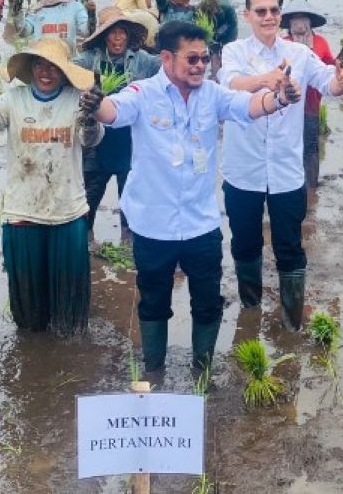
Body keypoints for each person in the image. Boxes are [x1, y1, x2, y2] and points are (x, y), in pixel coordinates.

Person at [90, 20, 295, 373]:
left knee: (208, 303)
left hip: (201, 224)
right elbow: (114, 112)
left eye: (205, 58)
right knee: (153, 302)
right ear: (167, 59)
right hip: (154, 226)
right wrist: (95, 104)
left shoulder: (212, 95)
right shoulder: (142, 93)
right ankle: (154, 371)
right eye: (193, 59)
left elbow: (247, 105)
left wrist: (278, 99)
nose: (201, 65)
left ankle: (203, 371)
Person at [219, 0, 343, 330]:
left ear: (280, 15)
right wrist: (269, 79)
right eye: (260, 11)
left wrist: (342, 80)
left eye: (273, 11)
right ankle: (250, 311)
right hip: (243, 170)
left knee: (290, 248)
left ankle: (292, 321)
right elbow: (229, 85)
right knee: (245, 243)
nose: (268, 17)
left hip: (286, 172)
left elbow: (328, 84)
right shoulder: (233, 51)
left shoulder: (299, 54)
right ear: (247, 14)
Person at [0, 38, 103, 334]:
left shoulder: (78, 98)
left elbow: (91, 141)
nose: (46, 72)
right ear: (30, 67)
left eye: (54, 67)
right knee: (29, 314)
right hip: (23, 210)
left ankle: (65, 356)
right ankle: (33, 356)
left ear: (64, 71)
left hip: (67, 211)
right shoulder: (14, 99)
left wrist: (91, 116)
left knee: (70, 313)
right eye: (40, 64)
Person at [74, 8, 158, 240]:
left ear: (129, 36)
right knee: (88, 201)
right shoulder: (90, 59)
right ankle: (85, 243)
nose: (118, 38)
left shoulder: (142, 60)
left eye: (122, 32)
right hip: (96, 141)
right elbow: (66, 69)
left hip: (128, 141)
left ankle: (128, 245)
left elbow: (168, 67)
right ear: (103, 36)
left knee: (130, 201)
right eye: (112, 33)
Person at [282, 4, 334, 190]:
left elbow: (330, 69)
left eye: (303, 18)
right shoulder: (283, 43)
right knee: (288, 147)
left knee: (311, 146)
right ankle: (290, 185)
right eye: (295, 19)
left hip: (311, 104)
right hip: (288, 108)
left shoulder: (321, 43)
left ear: (310, 22)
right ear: (289, 23)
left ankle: (311, 187)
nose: (300, 23)